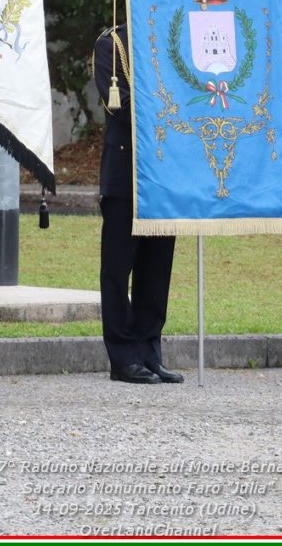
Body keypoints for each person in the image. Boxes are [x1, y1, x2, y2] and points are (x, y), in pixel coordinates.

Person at [91, 24, 182, 385]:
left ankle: (149, 350)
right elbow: (120, 105)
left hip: (165, 171)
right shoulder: (112, 43)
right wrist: (174, 108)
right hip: (126, 170)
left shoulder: (172, 35)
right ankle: (122, 355)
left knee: (157, 268)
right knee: (118, 269)